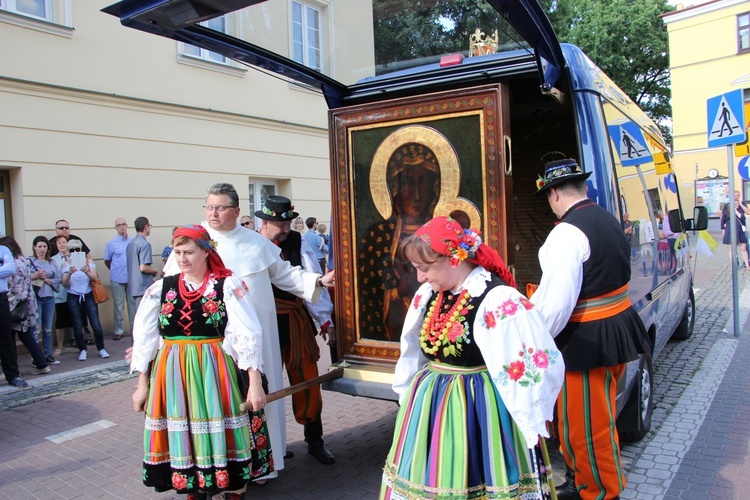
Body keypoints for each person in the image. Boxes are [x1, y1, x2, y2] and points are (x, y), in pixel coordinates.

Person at [380, 216, 563, 499]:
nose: (419, 277)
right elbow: (411, 350)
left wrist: (530, 420)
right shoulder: (428, 294)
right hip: (429, 403)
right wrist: (407, 393)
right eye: (417, 269)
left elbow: (535, 362)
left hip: (480, 407)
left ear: (454, 259)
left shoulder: (497, 298)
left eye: (425, 268)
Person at [160, 182, 334, 478]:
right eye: (209, 206)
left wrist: (317, 281)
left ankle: (262, 466)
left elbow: (285, 275)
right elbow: (170, 291)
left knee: (259, 394)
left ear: (236, 211)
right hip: (211, 339)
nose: (213, 213)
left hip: (257, 334)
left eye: (221, 207)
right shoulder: (194, 242)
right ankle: (223, 465)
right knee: (220, 401)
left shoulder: (255, 243)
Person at [530, 158, 650, 500]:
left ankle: (597, 492)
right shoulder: (607, 218)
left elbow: (557, 305)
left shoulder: (566, 233)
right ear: (581, 188)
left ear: (553, 193)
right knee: (601, 418)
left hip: (586, 341)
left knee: (584, 428)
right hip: (616, 329)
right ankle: (583, 481)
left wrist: (536, 341)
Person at [130, 225, 273, 499]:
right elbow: (145, 338)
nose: (182, 258)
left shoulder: (227, 286)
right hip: (172, 376)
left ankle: (233, 492)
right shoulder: (162, 289)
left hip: (215, 373)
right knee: (186, 444)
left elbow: (248, 336)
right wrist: (142, 384)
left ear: (207, 252)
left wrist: (255, 384)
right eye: (177, 252)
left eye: (189, 252)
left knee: (227, 444)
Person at [257, 196, 336, 464]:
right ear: (265, 222)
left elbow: (311, 278)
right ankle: (273, 445)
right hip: (264, 324)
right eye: (280, 224)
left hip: (295, 319)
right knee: (266, 386)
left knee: (307, 382)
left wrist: (324, 319)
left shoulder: (299, 242)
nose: (286, 229)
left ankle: (315, 440)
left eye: (288, 222)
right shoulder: (251, 244)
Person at [359, 143, 440, 341]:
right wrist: (398, 292)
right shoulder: (378, 236)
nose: (417, 195)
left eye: (423, 182)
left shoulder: (443, 232)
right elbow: (368, 297)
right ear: (395, 188)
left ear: (435, 187)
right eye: (409, 183)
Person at [0, 236, 51, 375]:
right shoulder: (23, 260)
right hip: (27, 303)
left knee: (9, 338)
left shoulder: (11, 264)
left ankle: (12, 368)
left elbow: (11, 287)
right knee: (25, 335)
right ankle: (42, 364)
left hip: (13, 305)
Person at [60, 239, 110, 361]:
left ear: (81, 250)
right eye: (72, 250)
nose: (75, 252)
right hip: (73, 296)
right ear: (68, 252)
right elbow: (65, 284)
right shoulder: (65, 264)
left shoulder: (89, 262)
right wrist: (69, 273)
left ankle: (101, 348)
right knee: (77, 325)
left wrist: (87, 271)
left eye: (77, 249)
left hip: (87, 294)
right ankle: (82, 349)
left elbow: (94, 279)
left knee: (95, 324)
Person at [29, 236, 62, 364]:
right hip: (36, 297)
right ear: (34, 247)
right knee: (36, 328)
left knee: (47, 328)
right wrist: (35, 275)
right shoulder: (30, 261)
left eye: (44, 246)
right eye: (39, 246)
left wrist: (47, 280)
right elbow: (24, 277)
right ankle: (36, 357)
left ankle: (48, 354)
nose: (42, 249)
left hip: (49, 297)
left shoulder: (52, 262)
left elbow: (57, 278)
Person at [126, 216, 159, 330]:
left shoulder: (131, 243)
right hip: (142, 287)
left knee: (135, 318)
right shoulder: (145, 244)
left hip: (132, 285)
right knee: (145, 319)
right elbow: (143, 267)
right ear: (145, 227)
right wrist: (154, 270)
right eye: (149, 226)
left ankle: (134, 344)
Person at [104, 217, 134, 341]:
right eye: (118, 225)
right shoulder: (111, 244)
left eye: (123, 224)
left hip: (132, 278)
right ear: (115, 228)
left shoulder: (133, 242)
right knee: (118, 305)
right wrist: (115, 270)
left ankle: (134, 329)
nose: (121, 227)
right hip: (117, 277)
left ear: (127, 226)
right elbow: (107, 261)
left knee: (133, 305)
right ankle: (118, 330)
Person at [0, 241, 25, 387]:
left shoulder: (3, 250)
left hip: (1, 298)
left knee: (5, 338)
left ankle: (13, 375)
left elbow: (10, 269)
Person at [51, 236, 73, 355]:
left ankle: (78, 343)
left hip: (73, 292)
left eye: (63, 242)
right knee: (60, 320)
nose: (62, 245)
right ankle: (60, 346)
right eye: (59, 243)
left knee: (76, 318)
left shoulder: (74, 256)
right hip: (60, 293)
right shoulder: (53, 259)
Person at [720, 190, 750, 268]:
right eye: (735, 195)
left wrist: (740, 204)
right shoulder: (727, 206)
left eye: (738, 195)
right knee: (732, 248)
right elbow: (723, 219)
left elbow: (748, 212)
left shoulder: (742, 204)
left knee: (745, 246)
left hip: (741, 229)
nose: (736, 197)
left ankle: (747, 263)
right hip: (730, 230)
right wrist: (723, 231)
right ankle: (734, 264)